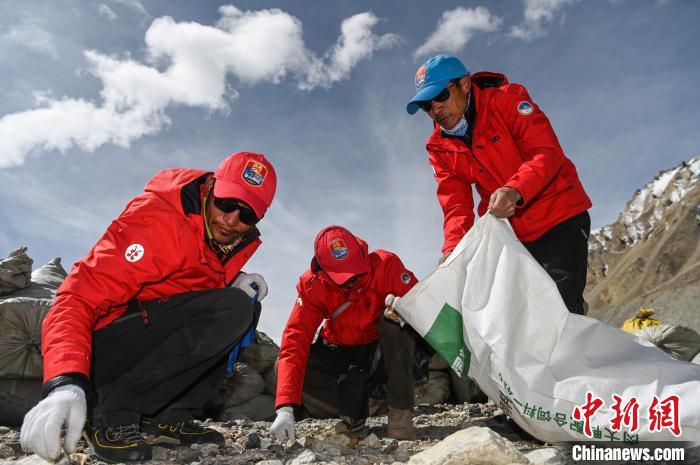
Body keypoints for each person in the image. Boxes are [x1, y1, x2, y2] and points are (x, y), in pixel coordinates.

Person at [20, 152, 277, 463]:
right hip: (102, 350)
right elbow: (76, 298)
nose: (232, 220)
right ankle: (108, 412)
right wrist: (66, 380)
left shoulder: (221, 240)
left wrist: (234, 279)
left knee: (244, 307)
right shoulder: (156, 220)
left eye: (247, 215)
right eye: (226, 203)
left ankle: (168, 417)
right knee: (232, 308)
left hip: (146, 331)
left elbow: (183, 296)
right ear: (211, 186)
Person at [406, 54, 592, 315]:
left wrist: (514, 189)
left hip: (558, 217)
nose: (435, 109)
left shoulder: (507, 100)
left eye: (440, 96)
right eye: (426, 105)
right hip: (511, 236)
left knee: (561, 312)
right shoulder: (439, 147)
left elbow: (547, 152)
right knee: (515, 319)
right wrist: (452, 252)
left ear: (465, 84)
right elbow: (455, 206)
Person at [270, 226, 418, 442]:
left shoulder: (386, 265)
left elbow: (422, 305)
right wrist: (285, 408)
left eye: (357, 271)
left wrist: (406, 311)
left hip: (379, 352)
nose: (355, 279)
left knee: (395, 322)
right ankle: (361, 410)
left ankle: (400, 410)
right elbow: (295, 340)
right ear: (324, 273)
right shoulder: (311, 286)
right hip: (339, 352)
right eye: (346, 278)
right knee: (282, 366)